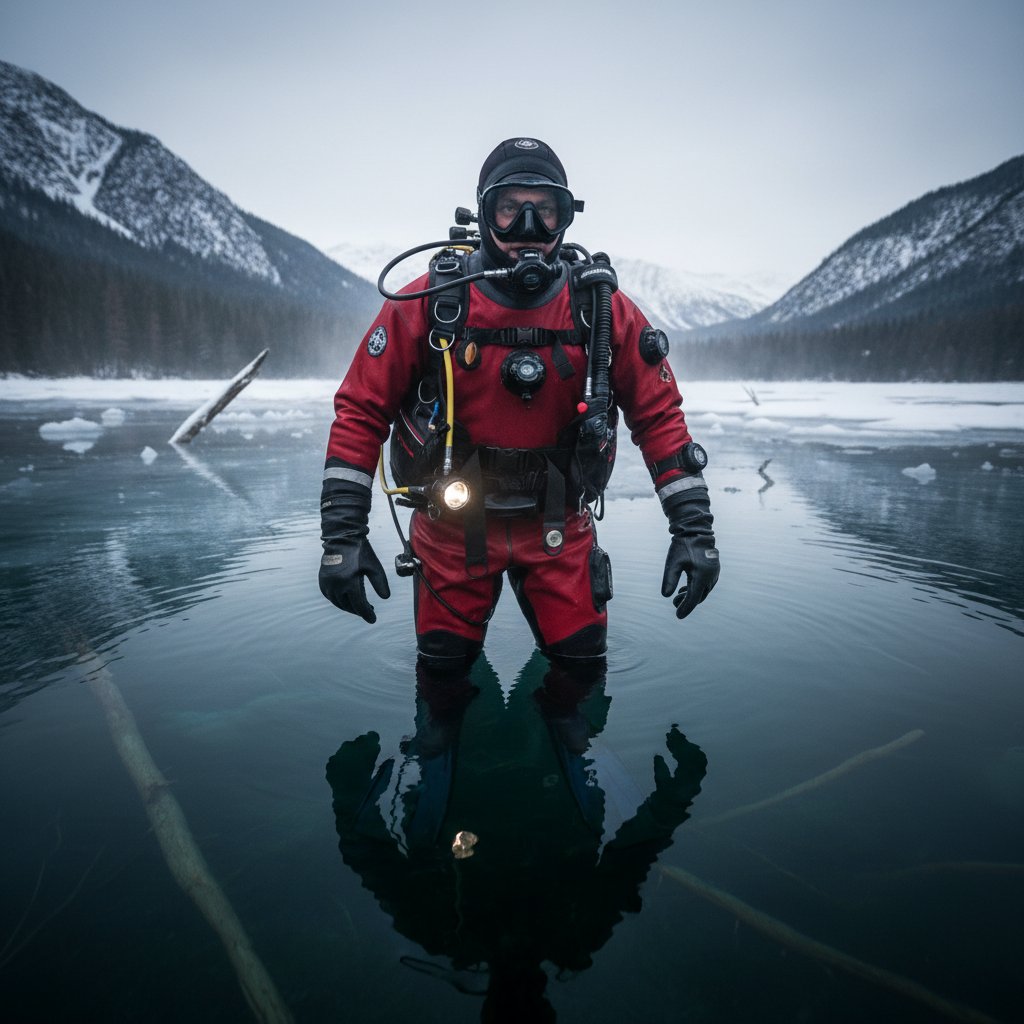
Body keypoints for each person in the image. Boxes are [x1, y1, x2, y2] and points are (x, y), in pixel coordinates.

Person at [319, 137, 719, 671]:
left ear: (565, 217)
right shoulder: (433, 302)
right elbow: (361, 412)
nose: (527, 230)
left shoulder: (599, 309)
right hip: (451, 534)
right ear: (484, 213)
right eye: (509, 209)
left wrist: (694, 530)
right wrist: (342, 537)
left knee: (580, 680)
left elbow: (658, 415)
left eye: (544, 211)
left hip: (560, 533)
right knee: (444, 688)